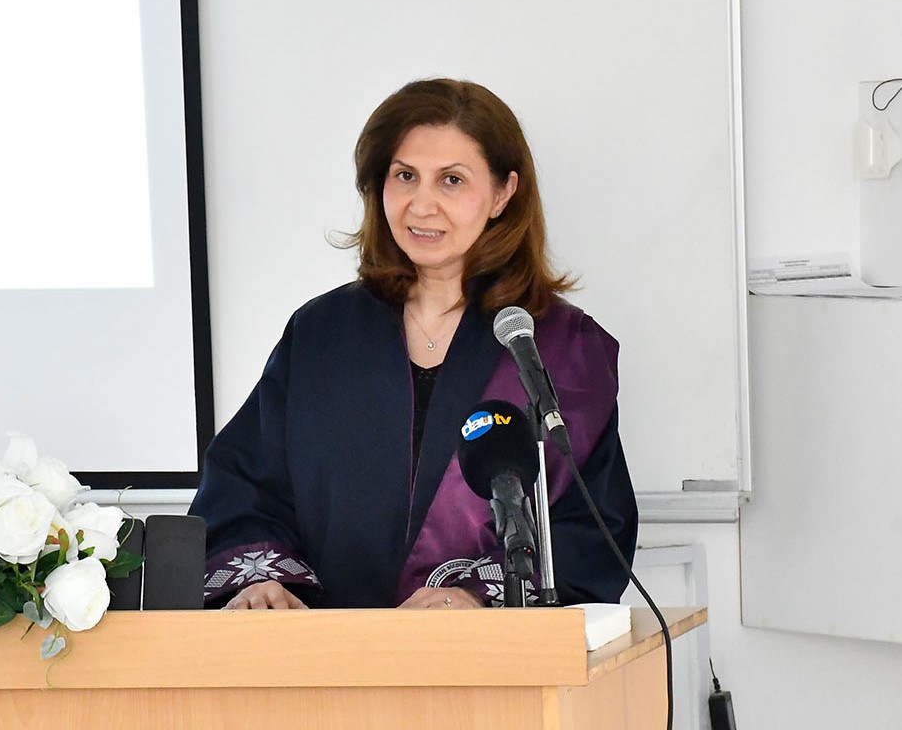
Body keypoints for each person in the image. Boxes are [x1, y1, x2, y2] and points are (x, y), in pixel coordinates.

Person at [189, 78, 637, 611]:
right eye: (405, 176)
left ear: (502, 193)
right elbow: (244, 489)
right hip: (326, 649)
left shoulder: (558, 348)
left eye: (452, 180)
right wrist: (261, 584)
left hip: (486, 655)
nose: (422, 206)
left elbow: (591, 528)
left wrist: (476, 599)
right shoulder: (322, 334)